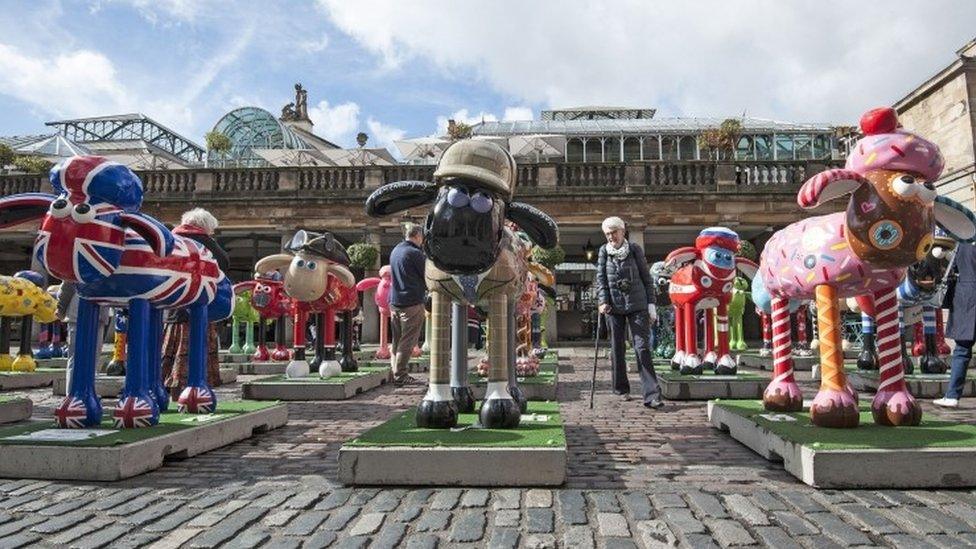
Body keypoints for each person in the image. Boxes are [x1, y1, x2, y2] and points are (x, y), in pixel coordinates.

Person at [161, 208, 230, 398]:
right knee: (195, 350)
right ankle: (194, 389)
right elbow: (224, 262)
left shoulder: (172, 239)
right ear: (205, 227)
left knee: (170, 351)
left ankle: (165, 386)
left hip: (172, 306)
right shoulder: (205, 243)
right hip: (199, 306)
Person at [596, 216, 663, 409]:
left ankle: (652, 395)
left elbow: (646, 278)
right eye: (607, 234)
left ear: (622, 231)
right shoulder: (603, 252)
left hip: (638, 305)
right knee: (617, 347)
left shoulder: (634, 250)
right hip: (614, 307)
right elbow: (601, 280)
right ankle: (621, 388)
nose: (610, 237)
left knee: (642, 347)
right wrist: (603, 301)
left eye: (613, 232)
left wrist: (651, 305)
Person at [935, 242, 974, 408]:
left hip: (965, 297)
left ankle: (952, 395)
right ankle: (951, 395)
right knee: (961, 351)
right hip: (966, 296)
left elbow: (951, 265)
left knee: (962, 350)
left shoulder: (962, 244)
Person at [388, 223, 427, 386]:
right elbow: (428, 275)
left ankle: (394, 371)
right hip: (411, 301)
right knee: (408, 340)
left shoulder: (396, 249)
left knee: (397, 339)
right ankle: (401, 374)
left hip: (395, 300)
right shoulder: (415, 253)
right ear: (418, 236)